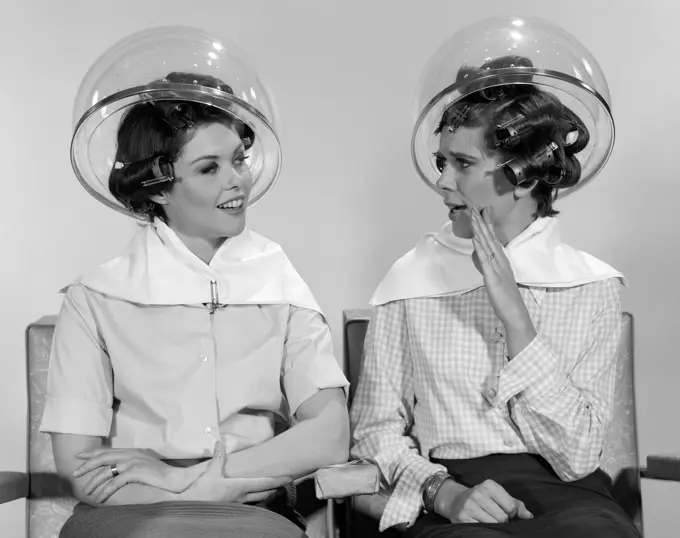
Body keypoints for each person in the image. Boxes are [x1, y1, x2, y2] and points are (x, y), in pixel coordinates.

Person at [40, 68, 349, 538]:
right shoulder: (95, 297)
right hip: (129, 510)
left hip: (254, 510)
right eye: (209, 168)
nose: (238, 182)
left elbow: (330, 435)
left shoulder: (280, 281)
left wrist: (190, 481)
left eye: (239, 160)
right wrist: (192, 492)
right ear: (158, 187)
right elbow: (80, 468)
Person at [350, 54, 640, 537]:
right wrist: (442, 492)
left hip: (574, 501)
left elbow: (577, 456)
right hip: (453, 499)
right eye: (443, 161)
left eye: (463, 163)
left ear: (526, 173)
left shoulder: (592, 285)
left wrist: (516, 320)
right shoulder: (411, 279)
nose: (442, 181)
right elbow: (373, 434)